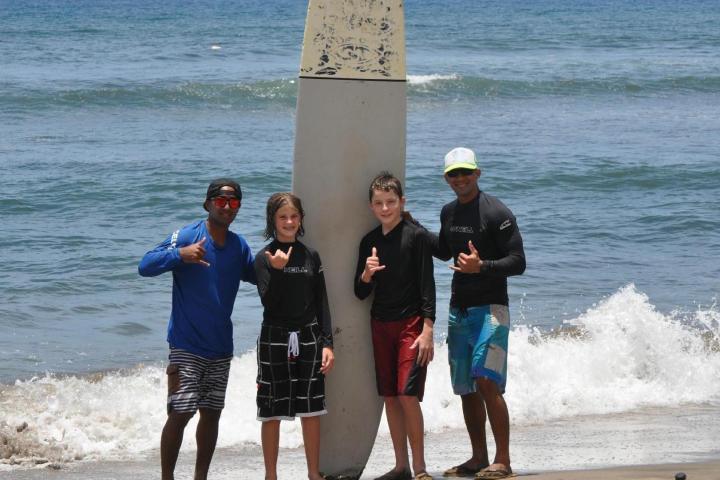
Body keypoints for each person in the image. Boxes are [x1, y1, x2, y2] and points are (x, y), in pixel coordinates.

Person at [138, 178, 256, 480]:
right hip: (186, 343)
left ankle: (200, 477)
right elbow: (145, 265)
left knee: (212, 414)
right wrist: (181, 254)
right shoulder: (189, 235)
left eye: (234, 202)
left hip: (220, 346)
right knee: (181, 412)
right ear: (208, 204)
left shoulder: (239, 245)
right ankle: (167, 477)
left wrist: (283, 263)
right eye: (221, 201)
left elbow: (259, 277)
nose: (227, 207)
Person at [429, 148, 525, 480]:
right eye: (453, 174)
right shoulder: (448, 212)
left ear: (478, 173)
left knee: (487, 380)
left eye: (465, 173)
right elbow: (443, 250)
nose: (460, 179)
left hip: (492, 311)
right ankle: (477, 458)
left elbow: (518, 261)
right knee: (466, 386)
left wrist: (481, 265)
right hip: (459, 311)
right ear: (446, 178)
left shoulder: (496, 212)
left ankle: (503, 460)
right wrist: (408, 227)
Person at [354, 173, 436, 480]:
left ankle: (421, 468)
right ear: (371, 206)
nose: (385, 208)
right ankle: (401, 466)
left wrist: (428, 330)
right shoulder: (369, 242)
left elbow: (428, 286)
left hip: (411, 324)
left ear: (402, 202)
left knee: (406, 394)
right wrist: (366, 274)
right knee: (389, 395)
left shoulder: (415, 236)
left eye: (391, 202)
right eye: (379, 203)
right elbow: (359, 292)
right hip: (380, 323)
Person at [254, 192, 335, 480]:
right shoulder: (263, 258)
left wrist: (328, 343)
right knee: (272, 410)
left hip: (309, 336)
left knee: (312, 408)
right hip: (274, 336)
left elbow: (322, 302)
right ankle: (271, 475)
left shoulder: (311, 255)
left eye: (294, 216)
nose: (289, 222)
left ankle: (313, 473)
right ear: (272, 220)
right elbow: (269, 303)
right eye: (282, 217)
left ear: (301, 219)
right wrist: (277, 271)